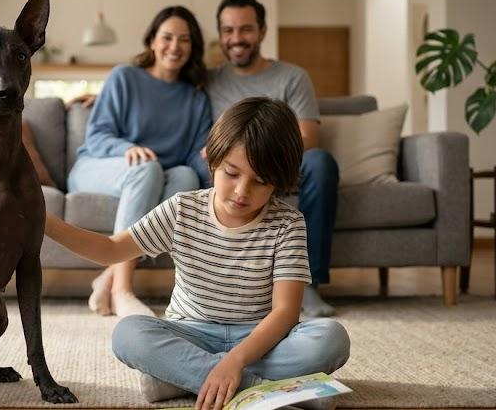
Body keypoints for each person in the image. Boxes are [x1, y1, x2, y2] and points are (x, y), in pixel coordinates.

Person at [46, 97, 350, 409]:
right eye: (232, 173)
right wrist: (45, 221)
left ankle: (180, 377)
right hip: (191, 332)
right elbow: (110, 250)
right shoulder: (183, 209)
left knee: (331, 339)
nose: (241, 191)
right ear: (213, 159)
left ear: (278, 183)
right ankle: (264, 391)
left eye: (260, 182)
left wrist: (234, 361)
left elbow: (285, 313)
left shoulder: (288, 224)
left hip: (259, 340)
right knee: (128, 333)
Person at [69, 6, 213, 318]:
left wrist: (215, 170)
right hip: (100, 166)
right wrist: (127, 148)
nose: (175, 46)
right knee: (147, 170)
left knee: (187, 178)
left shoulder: (196, 98)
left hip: (156, 174)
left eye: (184, 40)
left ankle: (108, 276)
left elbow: (192, 155)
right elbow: (97, 135)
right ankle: (122, 289)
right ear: (151, 41)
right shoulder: (125, 77)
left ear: (193, 47)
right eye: (167, 37)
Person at [207, 0, 339, 317]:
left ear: (263, 31)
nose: (236, 38)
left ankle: (308, 285)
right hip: (227, 169)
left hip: (281, 163)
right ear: (221, 34)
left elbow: (308, 134)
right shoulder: (208, 80)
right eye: (228, 30)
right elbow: (158, 88)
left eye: (246, 29)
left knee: (321, 163)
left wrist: (258, 156)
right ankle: (213, 287)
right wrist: (96, 95)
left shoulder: (292, 77)